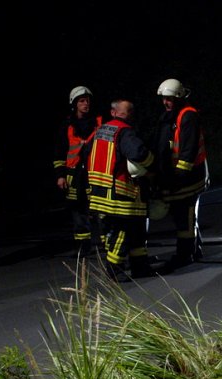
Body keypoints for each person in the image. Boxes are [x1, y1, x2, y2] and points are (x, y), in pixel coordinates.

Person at [87, 98, 158, 281]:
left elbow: (86, 154)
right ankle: (113, 269)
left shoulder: (99, 131)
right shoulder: (124, 132)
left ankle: (140, 267)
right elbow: (138, 153)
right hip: (121, 193)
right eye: (128, 111)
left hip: (100, 192)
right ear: (115, 112)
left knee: (135, 230)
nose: (131, 115)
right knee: (124, 231)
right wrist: (153, 166)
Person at [151, 78, 209, 272]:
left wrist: (179, 175)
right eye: (164, 99)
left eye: (169, 99)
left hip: (188, 178)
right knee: (184, 217)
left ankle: (186, 254)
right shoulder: (170, 116)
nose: (165, 102)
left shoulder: (187, 116)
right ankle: (193, 249)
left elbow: (188, 149)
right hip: (178, 177)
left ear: (178, 97)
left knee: (185, 217)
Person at [53, 86, 103, 259]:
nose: (86, 104)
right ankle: (83, 246)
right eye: (82, 101)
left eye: (88, 100)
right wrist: (60, 175)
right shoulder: (66, 125)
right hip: (74, 176)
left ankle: (106, 243)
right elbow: (59, 153)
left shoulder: (99, 121)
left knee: (100, 209)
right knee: (78, 211)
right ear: (74, 104)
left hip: (95, 173)